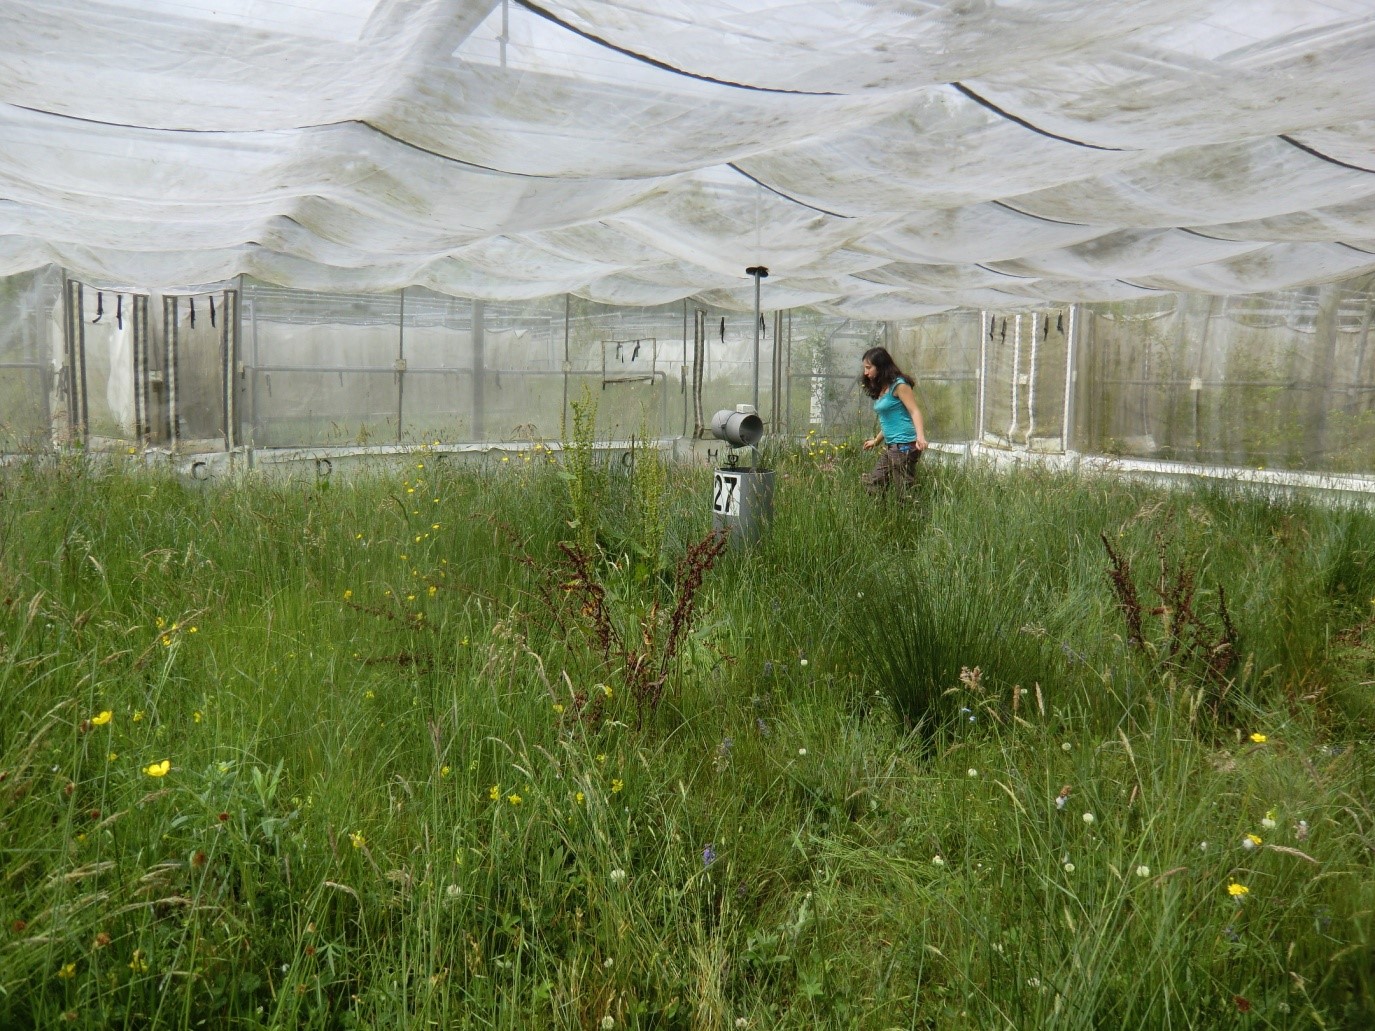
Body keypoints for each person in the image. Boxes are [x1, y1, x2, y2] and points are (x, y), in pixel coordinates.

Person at [859, 346, 928, 492]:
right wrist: (876, 441)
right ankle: (883, 514)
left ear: (880, 366)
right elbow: (889, 421)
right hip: (892, 446)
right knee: (875, 484)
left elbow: (914, 411)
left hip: (904, 444)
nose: (865, 372)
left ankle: (912, 514)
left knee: (904, 492)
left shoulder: (899, 385)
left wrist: (920, 437)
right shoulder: (884, 387)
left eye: (868, 367)